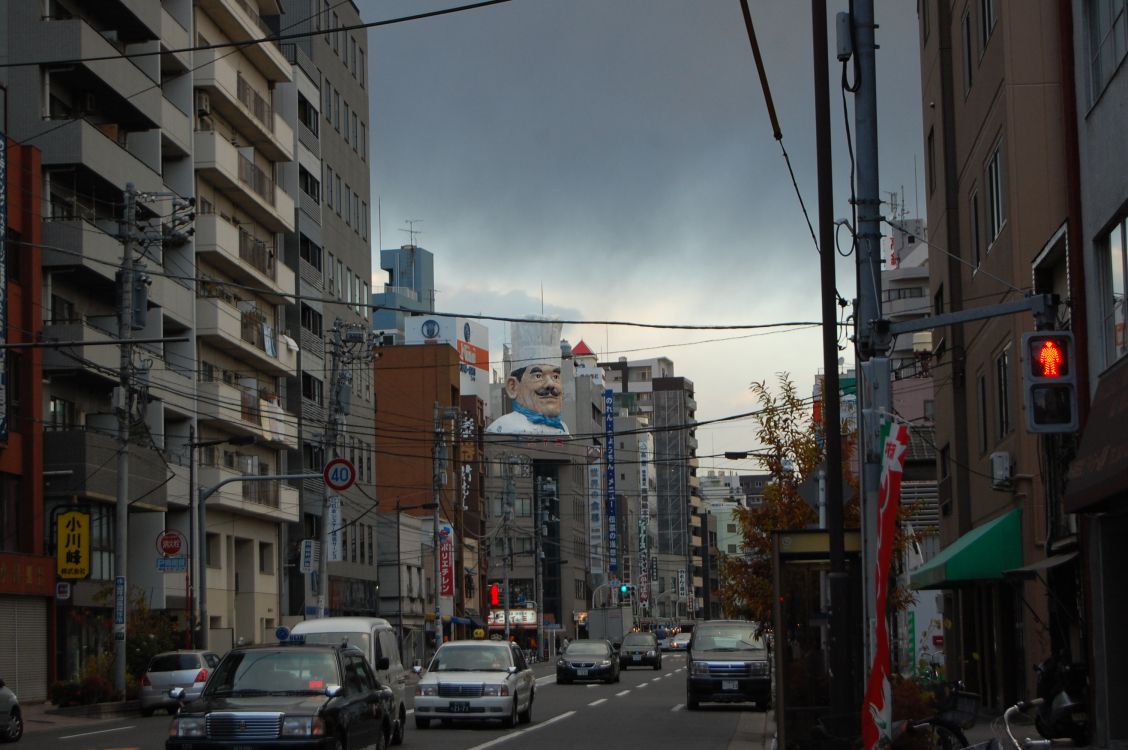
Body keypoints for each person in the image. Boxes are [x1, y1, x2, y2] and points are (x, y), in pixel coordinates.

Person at [486, 318, 570, 436]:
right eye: (538, 376)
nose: (550, 384)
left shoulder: (563, 429)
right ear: (513, 386)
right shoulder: (503, 428)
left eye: (555, 376)